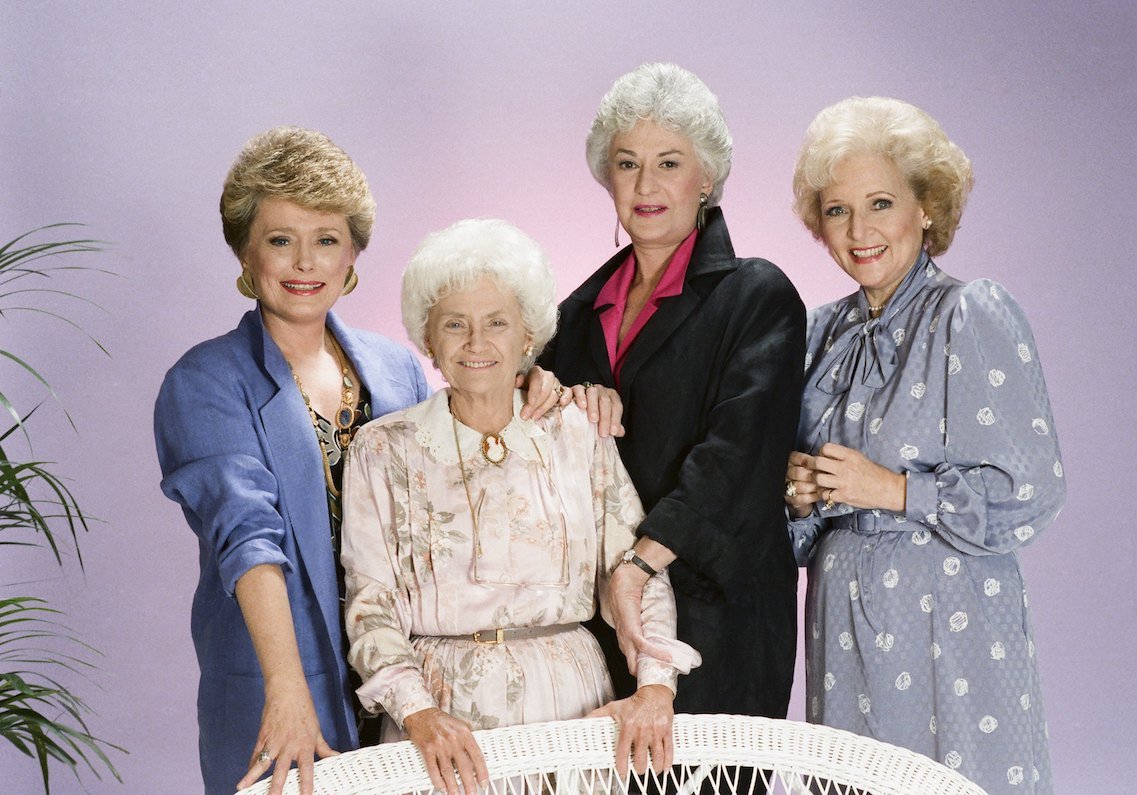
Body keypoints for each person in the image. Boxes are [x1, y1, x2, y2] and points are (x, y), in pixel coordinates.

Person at [154, 128, 570, 794]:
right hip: (280, 684)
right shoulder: (205, 381)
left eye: (326, 239)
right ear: (245, 251)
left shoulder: (396, 367)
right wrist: (287, 689)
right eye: (280, 239)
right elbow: (247, 539)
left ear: (352, 254)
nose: (305, 262)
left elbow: (459, 455)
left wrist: (528, 383)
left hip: (404, 687)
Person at [340, 218, 700, 793]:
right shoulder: (382, 449)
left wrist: (656, 686)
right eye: (454, 324)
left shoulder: (578, 430)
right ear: (428, 339)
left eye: (497, 323)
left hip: (571, 703)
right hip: (439, 717)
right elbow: (370, 601)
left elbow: (634, 570)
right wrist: (417, 712)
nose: (476, 342)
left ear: (527, 336)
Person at [785, 96, 1065, 793]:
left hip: (951, 619)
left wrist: (892, 489)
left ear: (927, 208)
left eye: (880, 203)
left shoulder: (970, 313)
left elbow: (1031, 491)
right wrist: (799, 498)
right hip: (842, 620)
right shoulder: (818, 336)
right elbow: (798, 531)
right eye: (838, 210)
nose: (859, 231)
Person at [539, 63, 806, 718]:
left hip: (715, 614)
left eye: (669, 163)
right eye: (627, 164)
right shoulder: (571, 318)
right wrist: (550, 394)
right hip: (602, 619)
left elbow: (737, 456)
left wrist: (639, 565)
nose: (646, 185)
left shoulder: (757, 296)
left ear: (706, 177)